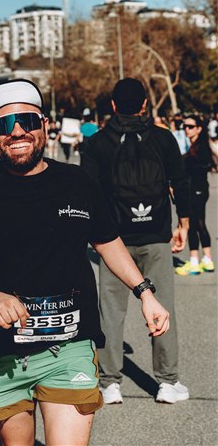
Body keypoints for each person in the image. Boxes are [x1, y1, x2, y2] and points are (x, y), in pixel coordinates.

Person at [0, 78, 170, 446]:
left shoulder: (78, 182)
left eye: (27, 121)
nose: (17, 132)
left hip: (70, 346)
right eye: (4, 125)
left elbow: (107, 241)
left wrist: (145, 293)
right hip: (2, 351)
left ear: (45, 125)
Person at [81, 77, 191, 404]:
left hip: (113, 241)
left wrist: (91, 235)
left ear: (113, 105)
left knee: (111, 313)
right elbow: (180, 182)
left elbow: (88, 193)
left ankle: (110, 383)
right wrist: (182, 224)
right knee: (162, 307)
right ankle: (167, 382)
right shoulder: (163, 138)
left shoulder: (97, 143)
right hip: (156, 234)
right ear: (145, 104)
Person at [175, 115, 215, 275]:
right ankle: (207, 259)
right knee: (200, 222)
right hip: (199, 189)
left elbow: (200, 166)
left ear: (199, 128)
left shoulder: (201, 147)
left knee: (192, 224)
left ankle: (194, 261)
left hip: (196, 190)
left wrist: (184, 162)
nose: (186, 129)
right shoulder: (196, 146)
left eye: (190, 126)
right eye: (184, 126)